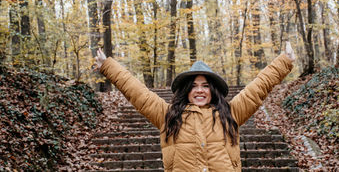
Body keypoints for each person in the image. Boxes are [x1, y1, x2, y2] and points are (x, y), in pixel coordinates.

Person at [94, 42, 295, 172]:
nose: (200, 91)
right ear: (187, 90)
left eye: (205, 86)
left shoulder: (230, 113)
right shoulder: (168, 115)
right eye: (194, 86)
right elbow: (139, 94)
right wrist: (107, 66)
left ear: (213, 90)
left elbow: (256, 89)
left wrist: (284, 62)